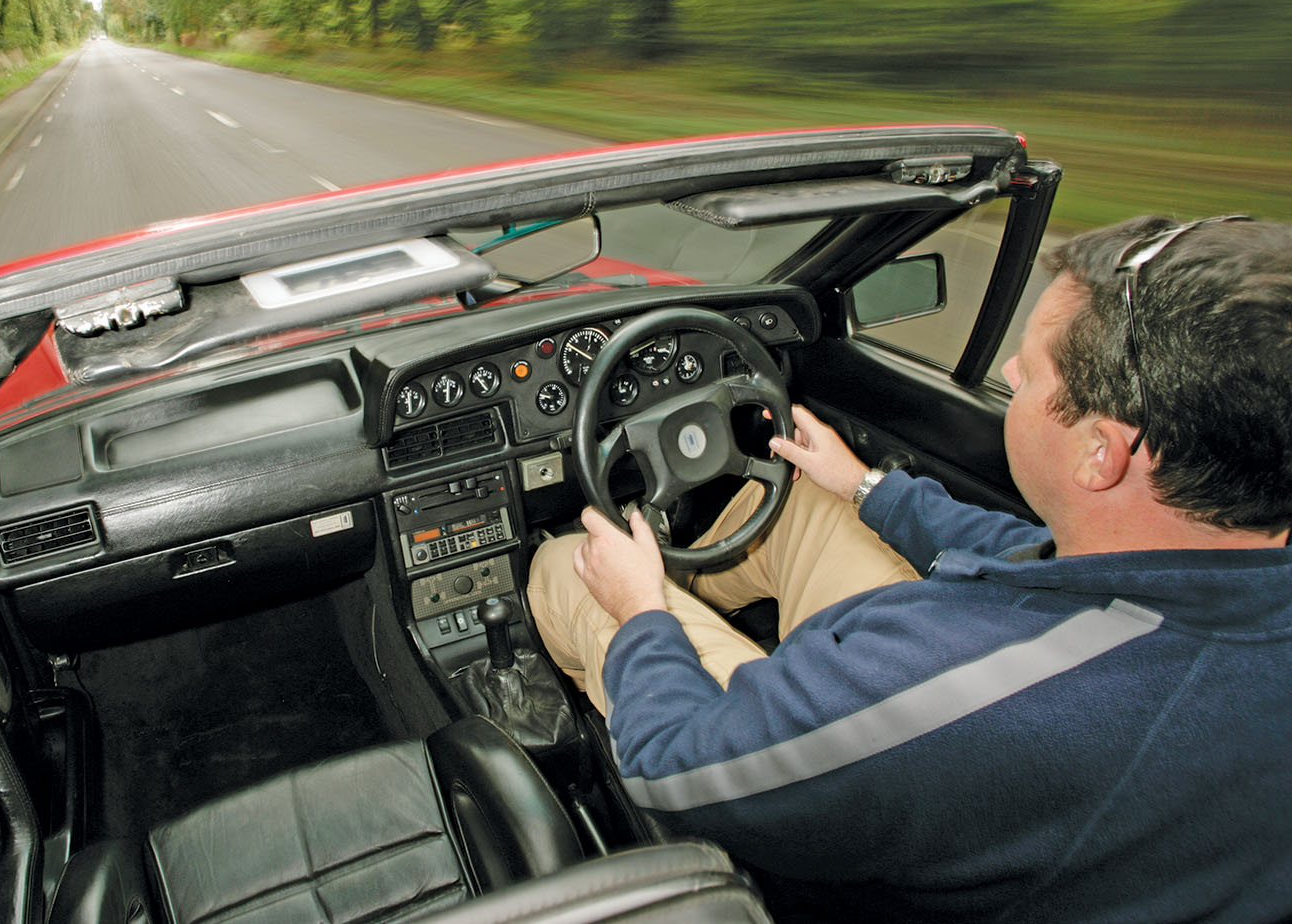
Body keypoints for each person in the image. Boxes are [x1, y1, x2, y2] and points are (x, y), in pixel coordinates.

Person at [526, 215, 1292, 923]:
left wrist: (641, 612)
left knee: (568, 563)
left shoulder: (981, 691)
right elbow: (1035, 554)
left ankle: (656, 615)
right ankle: (692, 599)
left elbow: (680, 771)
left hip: (809, 833)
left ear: (1105, 452)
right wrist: (865, 484)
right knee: (812, 503)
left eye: (1036, 365)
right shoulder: (1223, 566)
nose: (1011, 369)